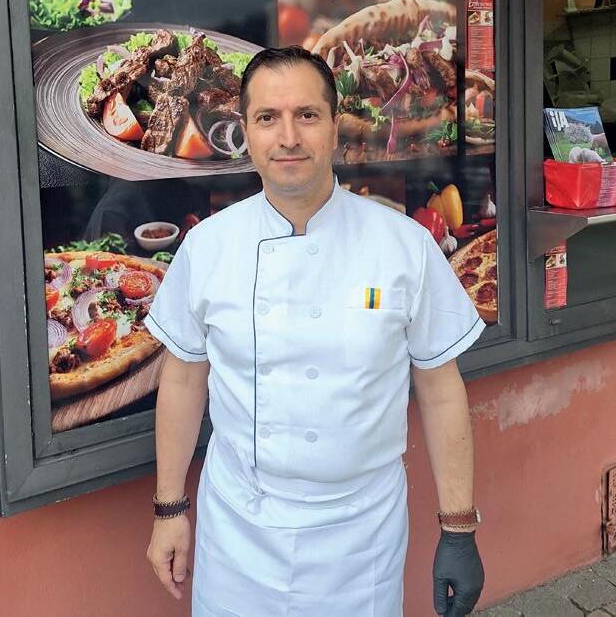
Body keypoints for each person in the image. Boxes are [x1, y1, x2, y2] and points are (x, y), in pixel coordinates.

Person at [144, 46, 486, 616]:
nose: (288, 138)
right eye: (267, 118)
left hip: (361, 536)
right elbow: (182, 381)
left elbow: (440, 387)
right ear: (246, 131)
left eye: (306, 115)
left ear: (334, 126)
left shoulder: (403, 245)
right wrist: (169, 509)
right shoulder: (207, 247)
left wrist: (458, 528)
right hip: (239, 533)